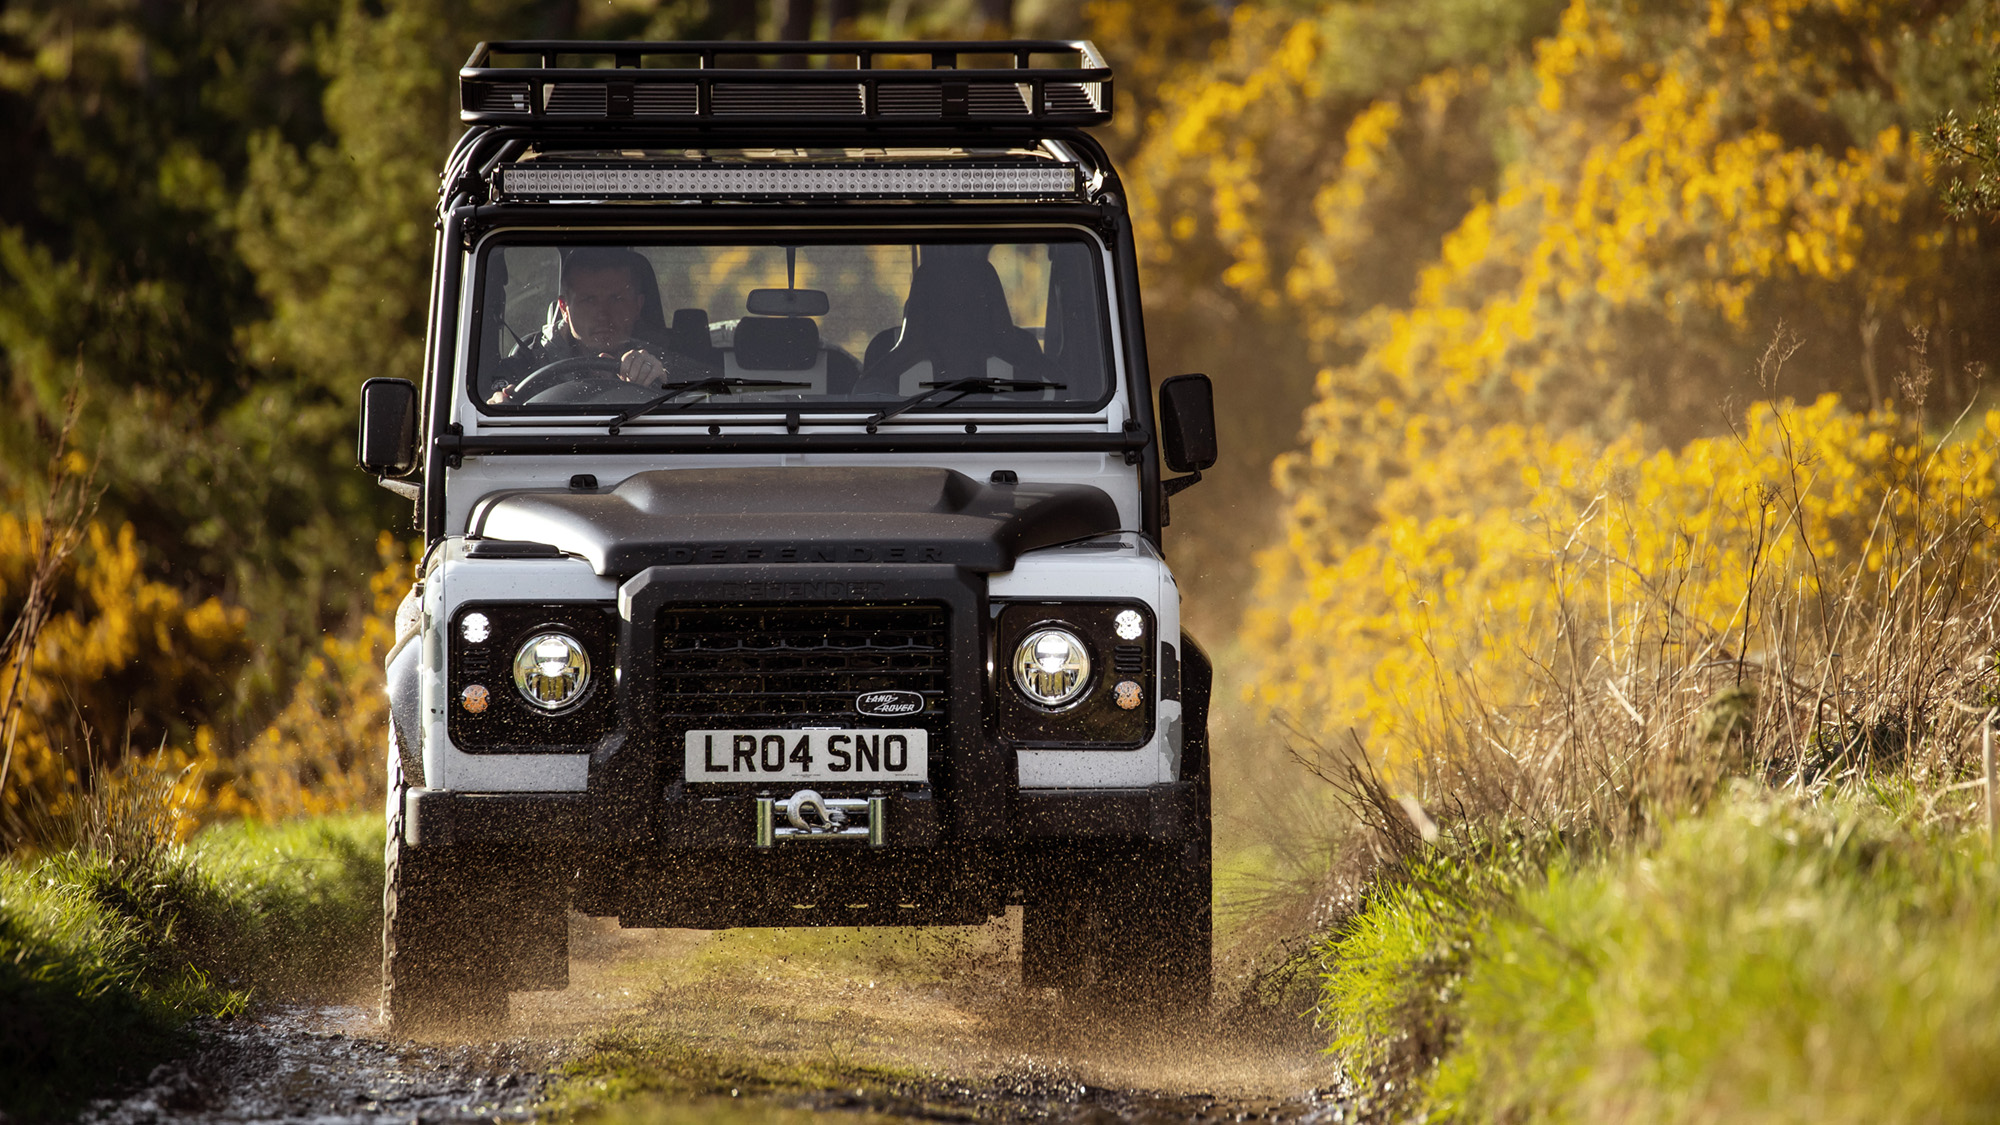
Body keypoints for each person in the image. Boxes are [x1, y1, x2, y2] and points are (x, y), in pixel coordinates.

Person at [486, 247, 704, 404]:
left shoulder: (669, 356)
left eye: (617, 299)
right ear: (564, 308)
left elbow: (712, 390)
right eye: (589, 300)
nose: (603, 314)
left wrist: (665, 379)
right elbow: (482, 406)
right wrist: (500, 407)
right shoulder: (525, 366)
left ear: (638, 306)